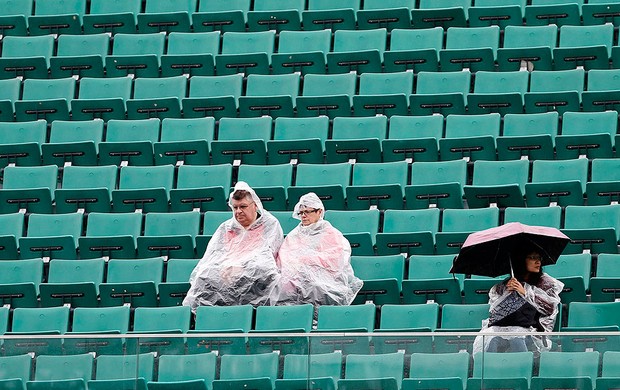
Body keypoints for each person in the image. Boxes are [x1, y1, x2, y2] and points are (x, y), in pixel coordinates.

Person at [183, 181, 283, 309]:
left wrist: (241, 266)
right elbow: (214, 255)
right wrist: (224, 266)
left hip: (256, 272)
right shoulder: (226, 227)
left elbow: (266, 254)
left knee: (261, 269)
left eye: (243, 206)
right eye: (235, 207)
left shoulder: (270, 224)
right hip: (227, 271)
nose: (238, 211)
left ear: (255, 206)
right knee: (204, 274)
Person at [276, 192, 363, 306]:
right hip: (297, 279)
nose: (303, 215)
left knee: (315, 286)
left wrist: (307, 262)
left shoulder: (331, 233)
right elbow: (284, 258)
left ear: (319, 212)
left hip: (325, 280)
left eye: (307, 212)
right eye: (301, 212)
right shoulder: (294, 235)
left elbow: (336, 261)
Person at [473, 248, 564, 354]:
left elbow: (550, 308)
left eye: (539, 258)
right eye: (533, 258)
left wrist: (525, 292)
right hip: (505, 327)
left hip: (533, 329)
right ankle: (489, 369)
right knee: (491, 340)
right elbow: (495, 309)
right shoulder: (509, 283)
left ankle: (523, 369)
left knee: (516, 339)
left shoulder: (546, 283)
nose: (538, 262)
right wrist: (506, 292)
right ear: (521, 260)